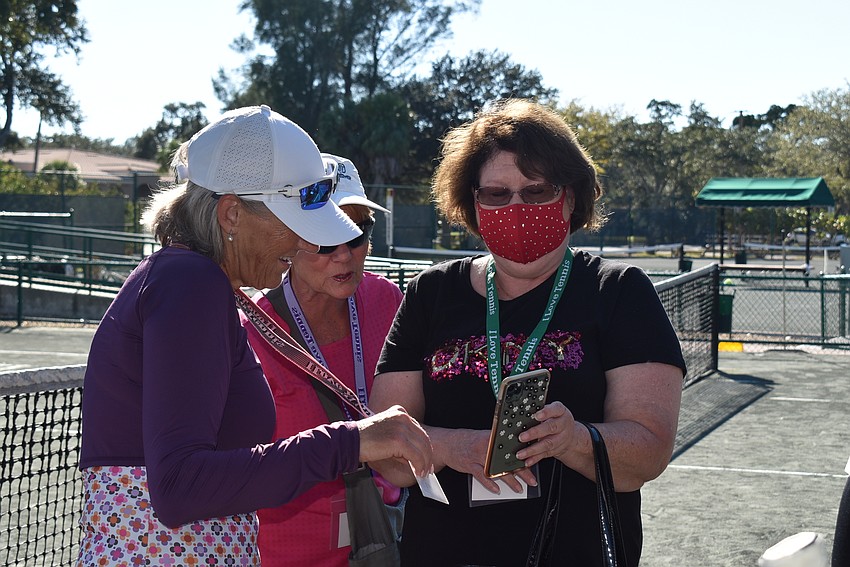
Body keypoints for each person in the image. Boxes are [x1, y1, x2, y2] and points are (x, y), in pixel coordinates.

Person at [76, 105, 432, 566]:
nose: (301, 245)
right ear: (231, 215)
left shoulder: (186, 280)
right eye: (295, 225)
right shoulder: (191, 283)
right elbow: (180, 486)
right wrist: (351, 442)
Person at [369, 98, 685, 566]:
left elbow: (649, 452)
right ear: (472, 204)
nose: (516, 207)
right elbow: (385, 448)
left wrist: (574, 439)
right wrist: (453, 448)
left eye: (536, 191)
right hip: (443, 552)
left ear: (571, 198)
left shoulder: (619, 293)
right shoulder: (430, 294)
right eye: (496, 194)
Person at [242, 153, 403, 566]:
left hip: (386, 534)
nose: (345, 254)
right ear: (289, 238)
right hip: (283, 553)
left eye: (357, 232)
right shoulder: (247, 329)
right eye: (325, 239)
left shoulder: (388, 300)